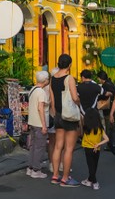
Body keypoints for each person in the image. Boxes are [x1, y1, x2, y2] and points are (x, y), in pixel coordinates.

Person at [50, 54, 81, 187]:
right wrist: (80, 104)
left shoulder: (53, 78)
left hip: (57, 114)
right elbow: (75, 97)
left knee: (58, 146)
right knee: (69, 148)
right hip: (69, 116)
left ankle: (55, 175)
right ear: (69, 65)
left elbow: (52, 99)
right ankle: (65, 178)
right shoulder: (69, 78)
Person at [26, 70, 50, 179]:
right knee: (39, 147)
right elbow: (40, 108)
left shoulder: (32, 89)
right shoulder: (41, 92)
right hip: (39, 123)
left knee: (33, 146)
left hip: (32, 121)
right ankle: (36, 169)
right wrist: (44, 125)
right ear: (45, 80)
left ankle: (30, 167)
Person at [80, 108, 108, 190]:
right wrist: (98, 144)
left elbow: (80, 133)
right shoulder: (100, 129)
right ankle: (89, 180)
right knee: (94, 165)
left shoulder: (85, 128)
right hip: (97, 149)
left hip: (87, 148)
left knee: (90, 165)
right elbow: (107, 139)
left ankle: (94, 182)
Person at [96, 70, 115, 149]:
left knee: (109, 126)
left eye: (98, 78)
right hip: (113, 108)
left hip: (108, 108)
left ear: (101, 78)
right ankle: (112, 143)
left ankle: (110, 144)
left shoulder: (106, 85)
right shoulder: (110, 83)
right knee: (111, 126)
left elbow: (105, 95)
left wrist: (99, 97)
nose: (98, 79)